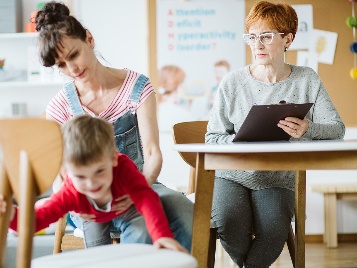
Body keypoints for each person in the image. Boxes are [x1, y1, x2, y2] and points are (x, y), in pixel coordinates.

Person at [36, 1, 193, 251]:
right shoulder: (59, 106)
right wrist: (79, 202)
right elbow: (59, 176)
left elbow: (152, 153)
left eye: (74, 55)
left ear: (89, 39)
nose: (72, 69)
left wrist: (138, 189)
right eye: (61, 65)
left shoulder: (137, 87)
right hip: (88, 196)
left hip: (140, 182)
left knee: (186, 215)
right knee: (138, 229)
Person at [205, 1, 345, 267]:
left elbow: (337, 128)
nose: (257, 45)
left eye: (266, 37)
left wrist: (308, 129)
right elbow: (212, 138)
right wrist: (239, 138)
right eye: (252, 37)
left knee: (273, 230)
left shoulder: (307, 79)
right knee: (229, 222)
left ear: (287, 39)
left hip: (277, 177)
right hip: (231, 174)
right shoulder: (232, 82)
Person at [0, 115, 186, 252]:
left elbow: (146, 198)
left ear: (113, 159)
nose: (91, 183)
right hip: (90, 217)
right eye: (80, 177)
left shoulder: (123, 169)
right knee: (98, 256)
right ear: (67, 172)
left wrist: (161, 235)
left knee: (140, 231)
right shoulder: (71, 192)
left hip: (125, 208)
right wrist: (9, 213)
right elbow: (35, 221)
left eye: (99, 171)